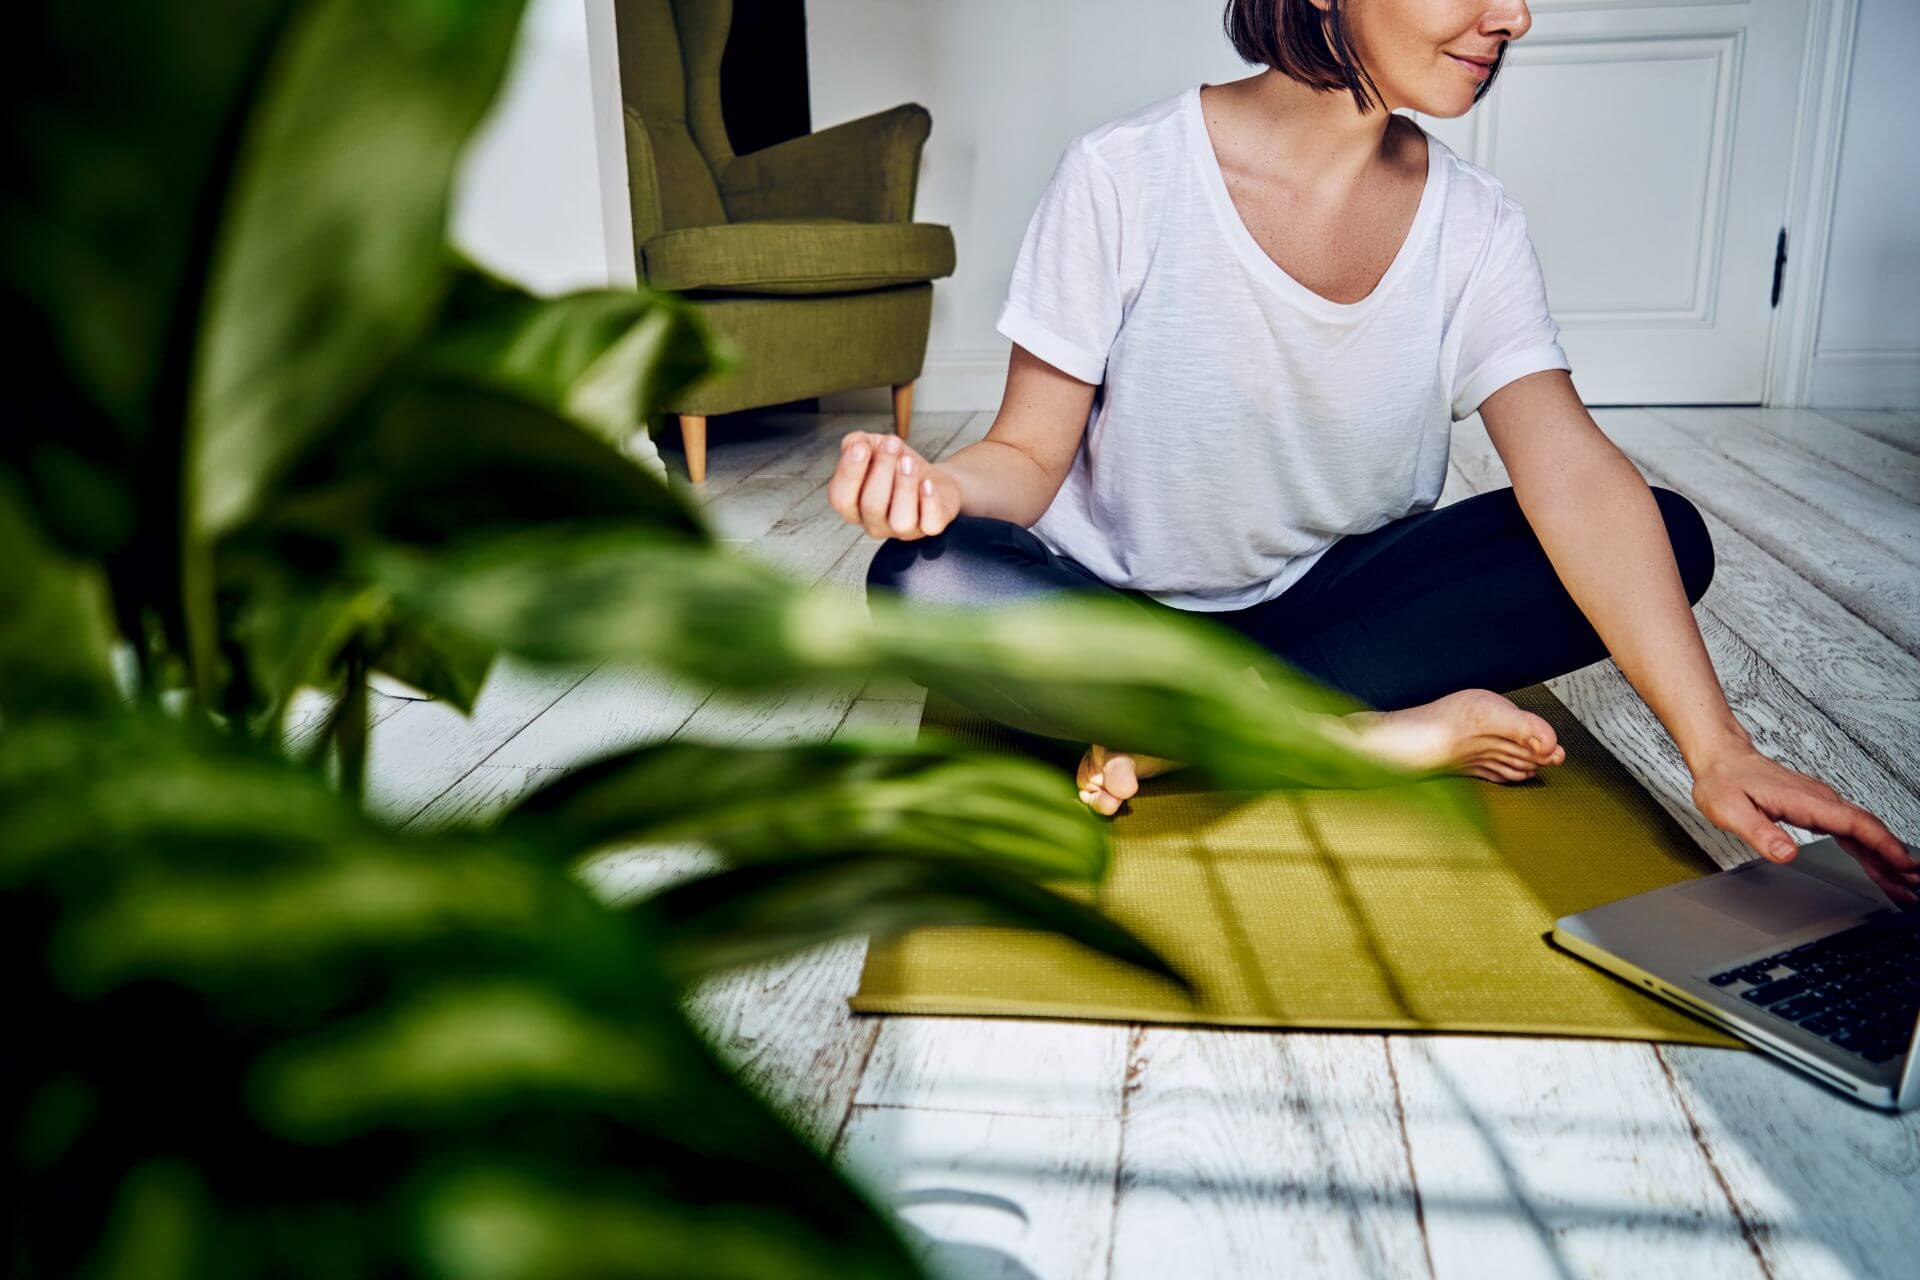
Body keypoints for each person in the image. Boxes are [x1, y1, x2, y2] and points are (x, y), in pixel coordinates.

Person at [828, 0, 1916, 904]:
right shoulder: (1122, 175)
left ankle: (1202, 728)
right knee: (926, 581)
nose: (1514, 17)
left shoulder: (1476, 224)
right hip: (1123, 616)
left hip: (1337, 610)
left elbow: (1572, 474)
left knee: (1663, 537)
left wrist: (1718, 748)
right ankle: (1363, 740)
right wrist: (939, 486)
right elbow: (1026, 455)